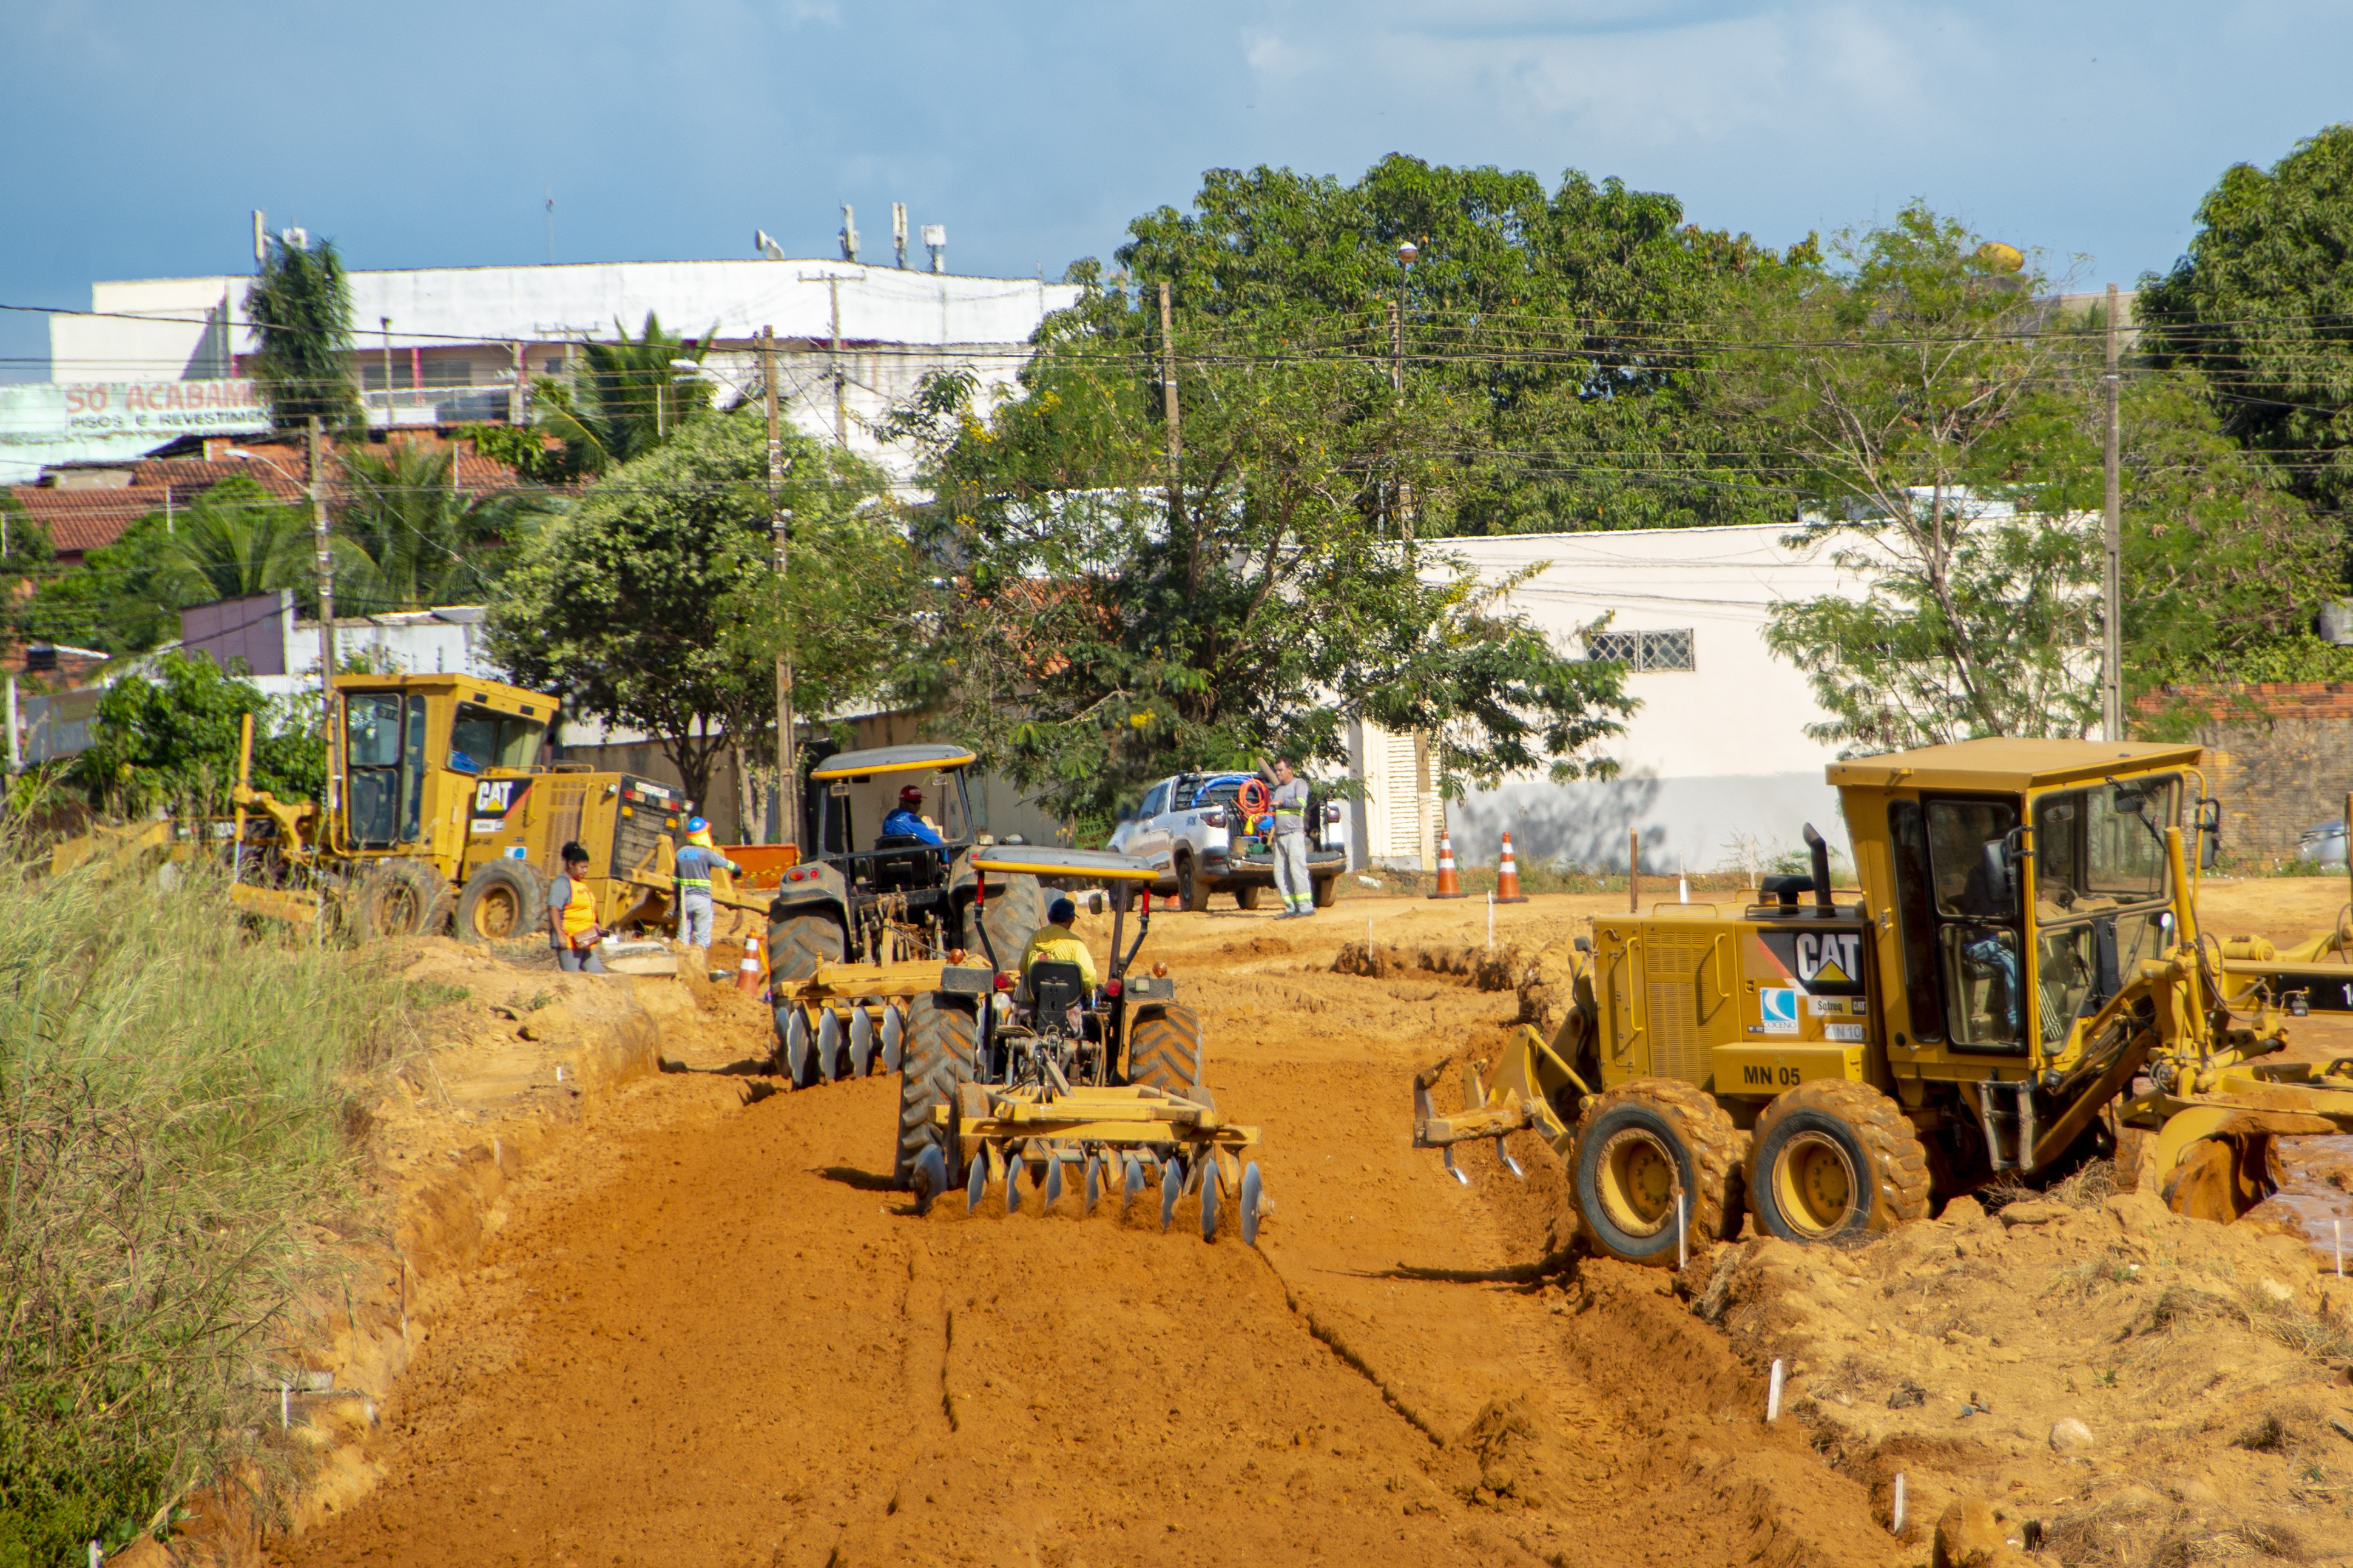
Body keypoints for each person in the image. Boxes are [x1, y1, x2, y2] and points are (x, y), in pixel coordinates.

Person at [673, 816, 741, 954]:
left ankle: (682, 966)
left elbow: (675, 882)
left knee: (683, 939)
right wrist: (738, 870)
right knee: (702, 939)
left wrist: (678, 904)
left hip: (686, 900)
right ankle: (699, 966)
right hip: (702, 900)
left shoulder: (681, 853)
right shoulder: (707, 854)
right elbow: (727, 864)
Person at [1255, 755, 1314, 918]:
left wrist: (1282, 802)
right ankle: (1291, 907)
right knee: (1280, 872)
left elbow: (1301, 803)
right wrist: (1266, 821)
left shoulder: (1299, 784)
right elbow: (1277, 812)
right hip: (1279, 837)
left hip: (1294, 834)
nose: (1278, 773)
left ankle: (1305, 907)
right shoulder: (1279, 789)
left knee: (1297, 869)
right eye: (1276, 770)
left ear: (1290, 769)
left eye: (1280, 770)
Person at [545, 841, 606, 974]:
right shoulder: (561, 884)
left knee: (598, 976)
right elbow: (553, 910)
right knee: (571, 978)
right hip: (569, 941)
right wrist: (560, 935)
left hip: (585, 939)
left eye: (587, 867)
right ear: (571, 864)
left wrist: (595, 924)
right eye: (582, 867)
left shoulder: (580, 884)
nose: (585, 870)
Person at [1018, 895, 1099, 992]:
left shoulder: (1034, 938)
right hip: (1067, 1002)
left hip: (1035, 998)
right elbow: (1089, 977)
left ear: (1049, 917)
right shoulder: (1075, 943)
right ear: (1072, 919)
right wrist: (1087, 991)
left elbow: (1023, 968)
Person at [881, 783, 944, 847]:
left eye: (919, 802)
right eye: (914, 802)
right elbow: (937, 841)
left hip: (891, 856)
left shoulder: (891, 817)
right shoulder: (911, 820)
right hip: (909, 856)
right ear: (903, 801)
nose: (918, 806)